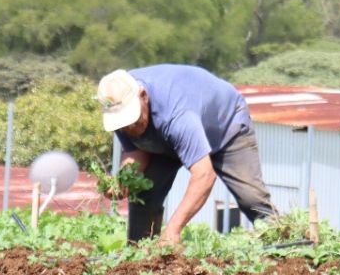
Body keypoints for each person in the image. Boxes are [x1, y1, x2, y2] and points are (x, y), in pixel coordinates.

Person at [97, 66, 278, 245]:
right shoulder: (120, 106)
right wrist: (124, 179)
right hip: (167, 137)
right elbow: (136, 151)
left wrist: (173, 229)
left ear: (143, 96)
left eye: (133, 120)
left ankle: (284, 244)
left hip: (225, 125)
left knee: (251, 199)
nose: (130, 129)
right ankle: (139, 256)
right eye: (124, 124)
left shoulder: (177, 116)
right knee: (145, 193)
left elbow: (204, 175)